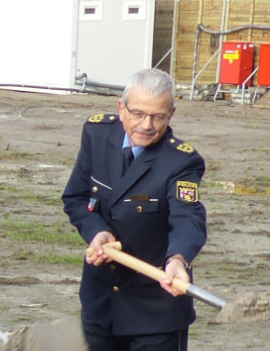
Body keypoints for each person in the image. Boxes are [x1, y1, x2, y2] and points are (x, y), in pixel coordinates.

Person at [61, 68, 206, 350]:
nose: (147, 124)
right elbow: (76, 197)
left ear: (171, 114)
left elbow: (187, 216)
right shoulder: (97, 134)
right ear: (121, 108)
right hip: (100, 304)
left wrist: (178, 259)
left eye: (158, 116)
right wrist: (97, 231)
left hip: (155, 312)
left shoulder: (181, 162)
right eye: (138, 113)